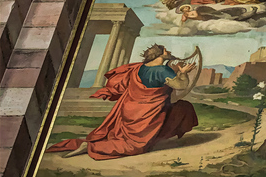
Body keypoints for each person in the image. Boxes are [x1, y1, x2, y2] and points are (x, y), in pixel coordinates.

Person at [46, 44, 198, 160]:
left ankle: (153, 139)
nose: (169, 53)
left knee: (183, 108)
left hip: (130, 110)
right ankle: (91, 146)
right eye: (166, 51)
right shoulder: (164, 70)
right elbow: (181, 86)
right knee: (134, 146)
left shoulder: (140, 68)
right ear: (159, 54)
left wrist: (177, 73)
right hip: (149, 113)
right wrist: (183, 73)